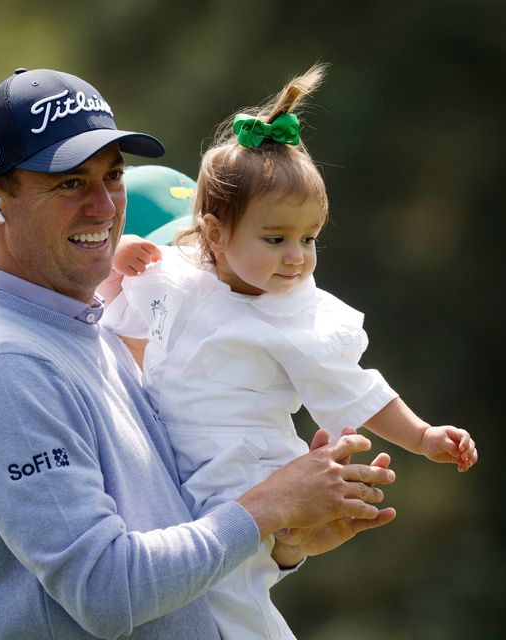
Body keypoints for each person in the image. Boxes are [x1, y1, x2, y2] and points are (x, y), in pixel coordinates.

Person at [0, 66, 398, 640]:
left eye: (113, 176)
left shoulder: (92, 332)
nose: (103, 206)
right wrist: (266, 506)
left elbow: (171, 544)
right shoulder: (1, 370)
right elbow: (107, 591)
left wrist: (284, 543)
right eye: (69, 182)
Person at [102, 64, 479, 639]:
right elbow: (118, 328)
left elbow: (357, 389)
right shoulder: (180, 274)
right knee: (188, 590)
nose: (297, 257)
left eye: (309, 238)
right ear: (214, 234)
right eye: (275, 239)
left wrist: (424, 437)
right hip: (173, 462)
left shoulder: (297, 315)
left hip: (241, 471)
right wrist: (123, 256)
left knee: (231, 597)